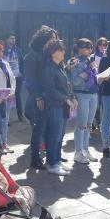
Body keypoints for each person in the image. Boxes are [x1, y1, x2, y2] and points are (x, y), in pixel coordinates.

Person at [24, 26, 58, 169]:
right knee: (38, 129)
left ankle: (52, 156)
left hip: (49, 97)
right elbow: (31, 80)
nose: (54, 41)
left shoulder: (47, 55)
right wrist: (38, 97)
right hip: (37, 98)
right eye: (52, 39)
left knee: (49, 129)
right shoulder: (32, 56)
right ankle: (35, 159)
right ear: (43, 40)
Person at [42, 39, 76, 175]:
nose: (63, 52)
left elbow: (67, 85)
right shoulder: (48, 68)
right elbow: (50, 90)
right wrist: (66, 99)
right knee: (54, 135)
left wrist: (73, 97)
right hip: (54, 106)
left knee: (60, 135)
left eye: (63, 49)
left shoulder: (60, 66)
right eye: (60, 50)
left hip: (63, 105)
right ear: (52, 52)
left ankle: (56, 161)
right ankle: (52, 163)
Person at [70, 38, 100, 164]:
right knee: (81, 124)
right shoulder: (73, 61)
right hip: (82, 95)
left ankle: (85, 149)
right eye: (83, 47)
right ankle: (78, 152)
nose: (86, 50)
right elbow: (74, 81)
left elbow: (95, 78)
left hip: (93, 94)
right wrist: (85, 75)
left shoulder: (90, 60)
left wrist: (96, 73)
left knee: (88, 124)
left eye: (89, 47)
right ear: (77, 48)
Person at [4, 33, 25, 121]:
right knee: (7, 96)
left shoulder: (18, 50)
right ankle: (6, 118)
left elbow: (22, 62)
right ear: (7, 40)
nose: (13, 40)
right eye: (11, 38)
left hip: (17, 76)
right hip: (7, 77)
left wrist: (22, 72)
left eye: (14, 38)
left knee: (18, 96)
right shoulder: (4, 50)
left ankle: (20, 116)